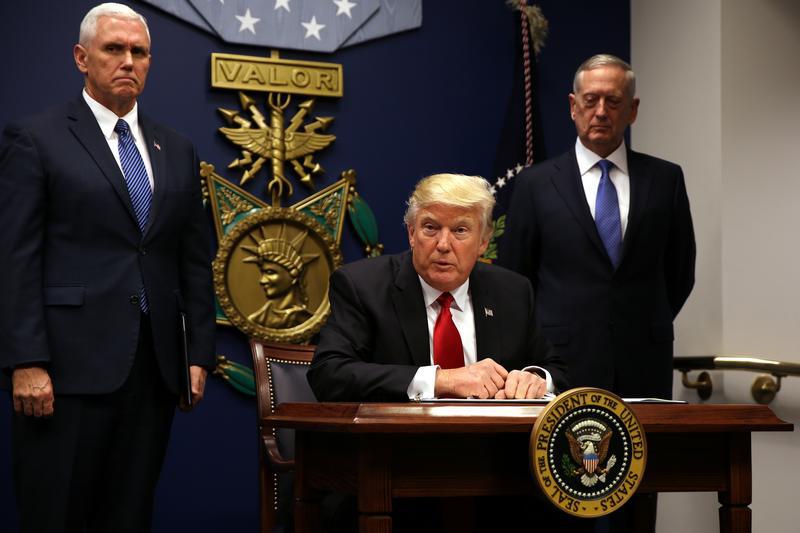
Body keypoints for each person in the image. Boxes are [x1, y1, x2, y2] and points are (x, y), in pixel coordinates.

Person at [0, 4, 215, 532]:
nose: (128, 62)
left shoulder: (178, 149)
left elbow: (193, 260)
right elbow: (15, 258)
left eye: (138, 52)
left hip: (153, 369)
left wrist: (198, 354)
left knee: (129, 515)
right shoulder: (36, 139)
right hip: (64, 371)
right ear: (81, 57)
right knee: (57, 515)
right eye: (113, 50)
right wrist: (26, 360)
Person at [499, 54, 695, 401]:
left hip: (645, 360)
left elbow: (680, 272)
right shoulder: (535, 184)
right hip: (562, 362)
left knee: (646, 455)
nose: (601, 111)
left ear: (632, 110)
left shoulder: (666, 179)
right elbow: (516, 278)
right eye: (591, 101)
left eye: (613, 101)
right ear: (573, 107)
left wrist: (640, 319)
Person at [308, 173, 569, 402]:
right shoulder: (362, 286)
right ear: (412, 233)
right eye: (430, 228)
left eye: (460, 230)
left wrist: (535, 379)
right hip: (395, 449)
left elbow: (556, 369)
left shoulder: (512, 291)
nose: (443, 244)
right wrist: (443, 380)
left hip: (490, 450)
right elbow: (329, 374)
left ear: (483, 242)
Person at [243, 226, 316, 328]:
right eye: (263, 273)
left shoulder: (306, 320)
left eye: (270, 272)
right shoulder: (256, 319)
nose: (262, 280)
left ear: (293, 275)